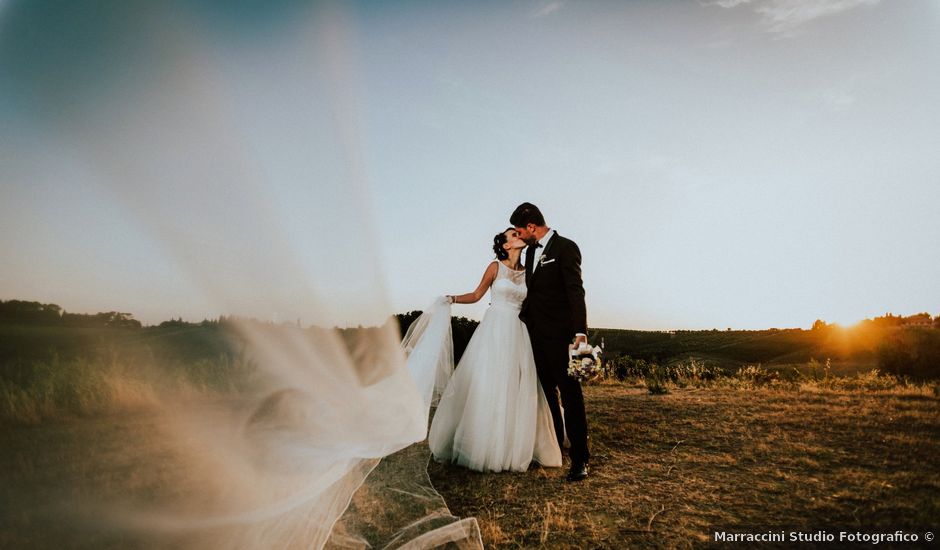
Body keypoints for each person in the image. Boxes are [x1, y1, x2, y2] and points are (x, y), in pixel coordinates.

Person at [428, 229, 562, 472]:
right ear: (506, 244)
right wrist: (452, 299)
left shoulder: (528, 272)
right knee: (490, 381)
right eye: (513, 234)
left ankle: (513, 445)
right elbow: (477, 294)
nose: (519, 235)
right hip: (495, 328)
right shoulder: (495, 267)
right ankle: (483, 444)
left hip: (519, 331)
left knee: (516, 383)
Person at [510, 202, 591, 482]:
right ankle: (555, 446)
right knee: (547, 395)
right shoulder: (530, 254)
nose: (519, 236)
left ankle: (580, 458)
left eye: (520, 231)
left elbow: (575, 291)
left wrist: (580, 331)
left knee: (571, 395)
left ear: (532, 226)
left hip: (562, 337)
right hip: (536, 338)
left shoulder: (566, 247)